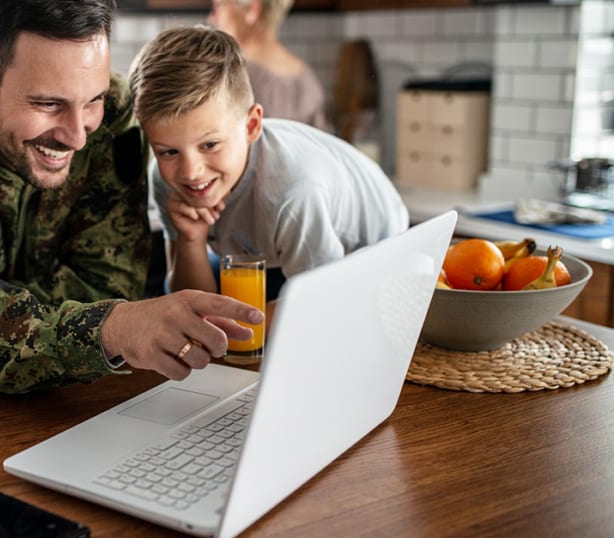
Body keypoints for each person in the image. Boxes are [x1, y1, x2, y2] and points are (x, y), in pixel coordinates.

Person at [0, 0, 263, 395]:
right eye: (47, 103)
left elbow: (105, 287)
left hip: (53, 385)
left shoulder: (114, 114)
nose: (77, 136)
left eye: (91, 100)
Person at [127, 25, 408, 328]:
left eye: (209, 145)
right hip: (270, 252)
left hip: (372, 251)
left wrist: (228, 338)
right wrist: (190, 240)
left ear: (251, 126)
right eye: (168, 152)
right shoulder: (166, 180)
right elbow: (194, 307)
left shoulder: (292, 192)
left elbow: (322, 305)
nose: (190, 172)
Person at [208, 0, 327, 129]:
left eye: (218, 6)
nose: (211, 18)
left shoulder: (230, 75)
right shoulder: (308, 80)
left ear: (251, 10)